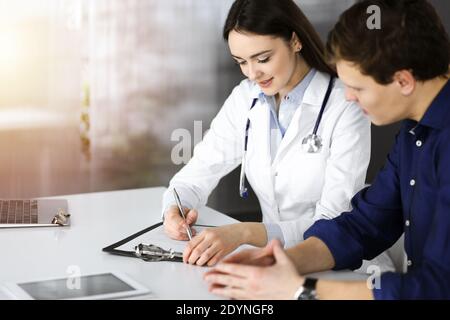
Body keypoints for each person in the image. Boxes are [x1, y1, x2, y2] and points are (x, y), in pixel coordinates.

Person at [204, 0, 450, 300]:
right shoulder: (413, 135)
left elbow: (437, 288)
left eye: (357, 89)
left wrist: (301, 289)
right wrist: (279, 261)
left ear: (403, 81)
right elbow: (363, 225)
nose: (348, 98)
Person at [162, 0, 385, 270]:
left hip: (340, 265)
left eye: (263, 58)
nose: (253, 73)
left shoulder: (345, 103)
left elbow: (333, 221)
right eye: (241, 62)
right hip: (269, 261)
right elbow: (196, 174)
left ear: (295, 41)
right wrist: (176, 209)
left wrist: (245, 233)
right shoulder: (246, 98)